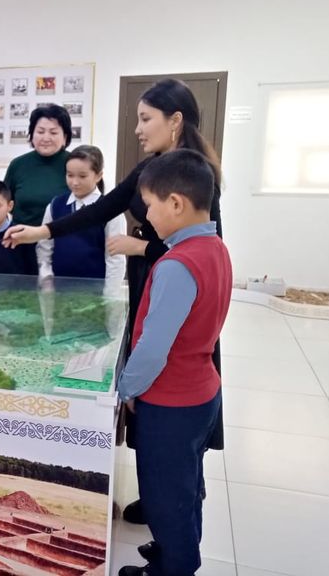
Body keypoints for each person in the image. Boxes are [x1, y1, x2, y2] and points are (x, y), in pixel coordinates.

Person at [4, 79, 225, 524]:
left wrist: (140, 247)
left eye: (145, 119)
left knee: (172, 384)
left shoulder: (194, 173)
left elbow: (204, 243)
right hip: (149, 278)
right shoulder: (152, 165)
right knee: (150, 390)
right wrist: (44, 231)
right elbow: (101, 209)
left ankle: (181, 494)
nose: (138, 129)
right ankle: (158, 493)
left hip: (175, 284)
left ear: (175, 120)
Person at [116, 149, 232, 576]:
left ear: (177, 203)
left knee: (166, 496)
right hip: (202, 392)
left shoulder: (177, 265)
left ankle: (175, 567)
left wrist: (126, 389)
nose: (146, 215)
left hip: (171, 403)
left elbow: (153, 348)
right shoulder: (214, 247)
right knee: (186, 487)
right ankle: (174, 551)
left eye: (149, 205)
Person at [36, 145, 126, 290]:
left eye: (82, 176)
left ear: (98, 175)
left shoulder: (111, 210)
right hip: (58, 289)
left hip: (95, 291)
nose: (75, 182)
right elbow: (44, 247)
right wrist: (47, 279)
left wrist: (110, 296)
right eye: (70, 175)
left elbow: (115, 260)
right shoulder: (55, 206)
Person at [4, 104, 72, 226]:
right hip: (22, 235)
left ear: (65, 137)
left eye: (53, 132)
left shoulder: (75, 164)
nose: (46, 138)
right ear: (32, 134)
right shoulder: (18, 165)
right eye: (40, 132)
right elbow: (4, 203)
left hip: (62, 235)